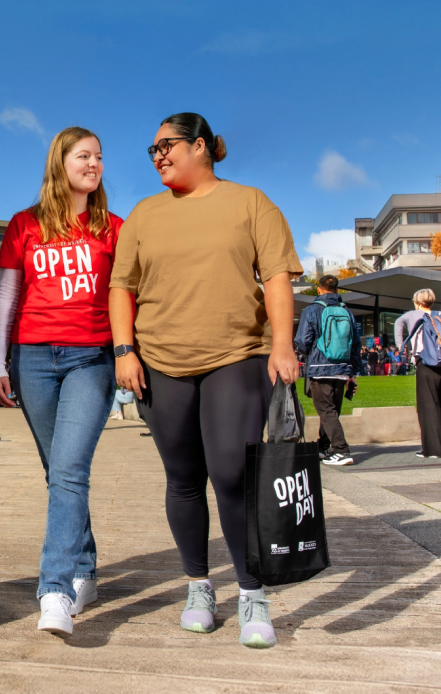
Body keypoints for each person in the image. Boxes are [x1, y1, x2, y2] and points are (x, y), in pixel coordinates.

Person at [109, 112, 303, 649]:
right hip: (160, 362)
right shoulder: (144, 215)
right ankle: (199, 585)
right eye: (151, 151)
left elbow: (278, 279)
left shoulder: (251, 202)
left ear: (200, 146)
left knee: (232, 474)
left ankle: (250, 590)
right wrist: (125, 350)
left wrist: (282, 346)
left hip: (236, 355)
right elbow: (121, 287)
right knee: (183, 478)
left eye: (165, 146)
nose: (157, 157)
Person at [0, 127, 123, 636]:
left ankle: (55, 590)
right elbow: (6, 299)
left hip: (92, 358)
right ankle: (86, 568)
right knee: (58, 471)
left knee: (68, 470)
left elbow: (125, 296)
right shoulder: (25, 225)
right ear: (60, 162)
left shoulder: (115, 228)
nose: (94, 164)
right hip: (34, 360)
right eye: (84, 155)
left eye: (100, 157)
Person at [294, 274, 361, 466]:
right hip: (342, 367)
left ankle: (341, 450)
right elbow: (355, 344)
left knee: (325, 410)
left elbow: (304, 341)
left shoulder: (312, 309)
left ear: (319, 289)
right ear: (337, 290)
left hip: (320, 366)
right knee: (332, 410)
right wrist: (353, 372)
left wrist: (303, 354)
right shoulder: (346, 311)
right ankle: (323, 448)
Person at [404, 288, 441, 458]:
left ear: (417, 302)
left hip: (427, 362)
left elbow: (397, 325)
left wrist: (404, 348)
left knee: (429, 405)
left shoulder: (412, 315)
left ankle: (434, 449)